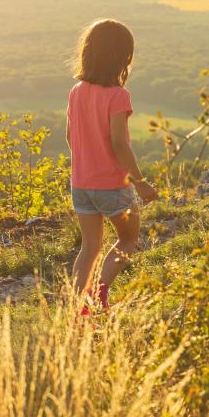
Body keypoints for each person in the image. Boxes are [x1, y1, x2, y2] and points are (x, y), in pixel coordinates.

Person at [66, 19, 158, 315]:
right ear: (123, 57)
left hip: (80, 183)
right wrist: (140, 182)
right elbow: (120, 143)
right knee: (128, 238)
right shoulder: (118, 96)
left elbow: (70, 137)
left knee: (89, 247)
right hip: (111, 185)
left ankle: (79, 306)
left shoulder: (76, 91)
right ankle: (101, 293)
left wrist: (85, 162)